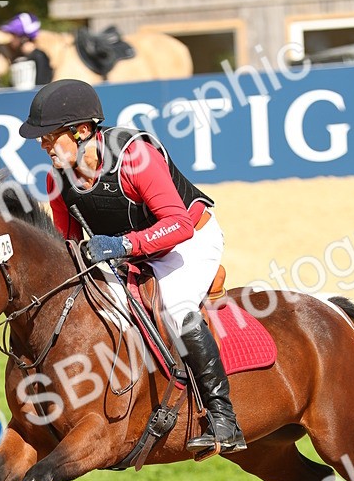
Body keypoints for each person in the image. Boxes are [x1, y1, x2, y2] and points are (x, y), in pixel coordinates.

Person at [18, 79, 246, 454]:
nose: (42, 145)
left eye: (49, 135)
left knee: (176, 309)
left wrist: (124, 245)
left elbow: (178, 223)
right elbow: (69, 245)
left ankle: (224, 418)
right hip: (130, 251)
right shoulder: (56, 178)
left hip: (187, 240)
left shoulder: (135, 157)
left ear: (82, 131)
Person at [0, 13, 53, 85]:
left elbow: (42, 84)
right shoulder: (17, 56)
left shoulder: (39, 56)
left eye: (14, 35)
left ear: (23, 38)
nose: (11, 39)